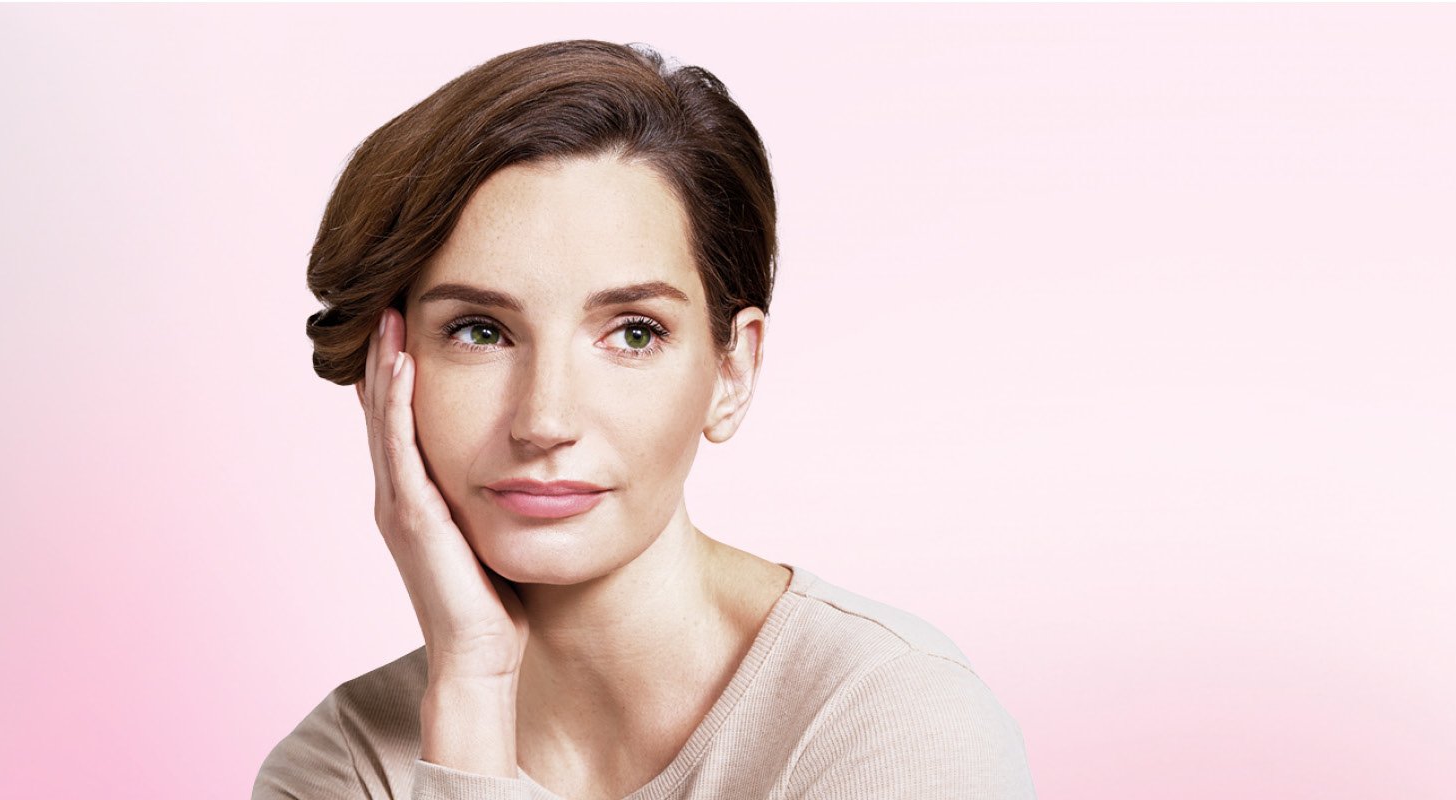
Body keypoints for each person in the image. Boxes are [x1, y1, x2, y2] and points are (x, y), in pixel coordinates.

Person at [256, 39, 1036, 800]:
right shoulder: (345, 768)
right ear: (382, 376)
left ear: (733, 369)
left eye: (634, 332)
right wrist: (470, 687)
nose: (545, 419)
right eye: (480, 331)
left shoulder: (892, 723)